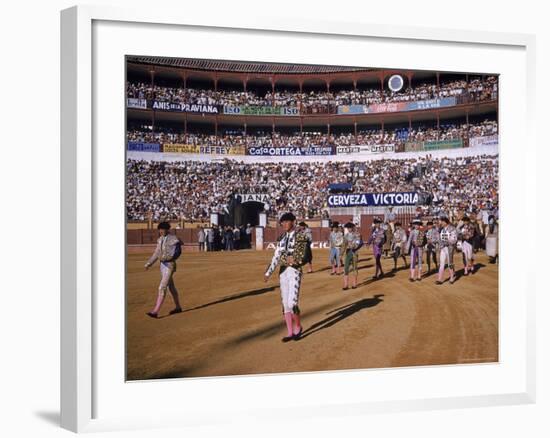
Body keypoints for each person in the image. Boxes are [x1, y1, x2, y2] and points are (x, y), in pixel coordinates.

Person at [264, 213, 308, 342]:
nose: (283, 224)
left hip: (294, 271)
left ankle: (298, 327)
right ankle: (290, 332)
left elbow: (306, 255)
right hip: (283, 272)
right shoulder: (282, 238)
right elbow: (276, 257)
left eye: (286, 221)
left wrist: (296, 260)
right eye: (282, 222)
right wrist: (268, 272)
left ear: (293, 222)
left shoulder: (301, 237)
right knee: (285, 304)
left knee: (292, 303)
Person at [144, 222, 183, 318]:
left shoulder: (173, 239)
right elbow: (157, 253)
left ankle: (155, 311)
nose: (161, 231)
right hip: (162, 265)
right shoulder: (160, 240)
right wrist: (149, 263)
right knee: (171, 288)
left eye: (163, 229)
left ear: (167, 229)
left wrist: (171, 258)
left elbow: (178, 251)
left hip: (170, 265)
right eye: (160, 229)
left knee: (162, 287)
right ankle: (178, 307)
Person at [436, 217, 458, 285]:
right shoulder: (441, 229)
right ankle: (440, 278)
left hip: (449, 248)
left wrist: (446, 242)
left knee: (450, 263)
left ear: (445, 222)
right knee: (442, 263)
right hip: (443, 248)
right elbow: (439, 238)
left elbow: (454, 239)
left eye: (442, 222)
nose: (441, 223)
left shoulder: (452, 229)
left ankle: (452, 277)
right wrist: (440, 244)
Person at [342, 222, 363, 290]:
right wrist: (341, 254)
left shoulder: (357, 234)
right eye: (348, 228)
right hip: (348, 252)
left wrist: (354, 247)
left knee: (354, 268)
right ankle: (346, 284)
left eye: (350, 228)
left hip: (354, 252)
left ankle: (354, 283)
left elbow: (358, 243)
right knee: (346, 268)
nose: (349, 229)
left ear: (352, 228)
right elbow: (344, 245)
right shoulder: (346, 236)